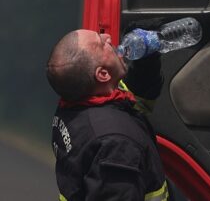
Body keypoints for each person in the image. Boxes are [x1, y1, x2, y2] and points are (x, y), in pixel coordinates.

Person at [46, 29, 167, 201]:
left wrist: (147, 63)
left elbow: (131, 103)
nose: (108, 37)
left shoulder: (74, 107)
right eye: (101, 43)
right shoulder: (115, 144)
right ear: (103, 74)